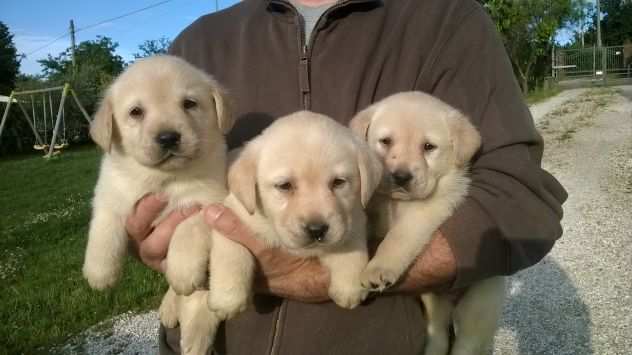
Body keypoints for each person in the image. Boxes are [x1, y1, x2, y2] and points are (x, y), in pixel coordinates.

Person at [125, 0, 568, 354]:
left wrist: (313, 273)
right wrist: (145, 236)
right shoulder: (198, 44)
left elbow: (521, 203)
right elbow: (134, 183)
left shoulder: (448, 21)